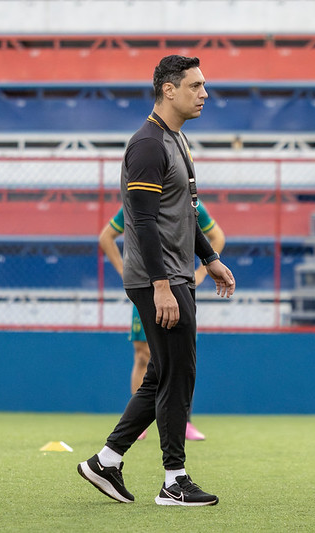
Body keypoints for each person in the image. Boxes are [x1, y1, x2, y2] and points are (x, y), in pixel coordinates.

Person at [77, 55, 235, 506]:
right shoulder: (147, 144)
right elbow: (142, 223)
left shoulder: (176, 140)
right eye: (196, 85)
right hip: (159, 279)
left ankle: (106, 460)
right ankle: (174, 481)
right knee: (178, 373)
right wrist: (163, 285)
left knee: (163, 372)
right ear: (168, 89)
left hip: (173, 273)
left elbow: (183, 214)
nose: (205, 93)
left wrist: (211, 257)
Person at [98, 203, 225, 441]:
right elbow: (107, 237)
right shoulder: (137, 201)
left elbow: (217, 237)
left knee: (183, 354)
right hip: (147, 286)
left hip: (180, 284)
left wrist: (201, 272)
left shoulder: (192, 206)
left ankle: (184, 421)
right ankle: (139, 424)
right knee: (142, 354)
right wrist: (125, 271)